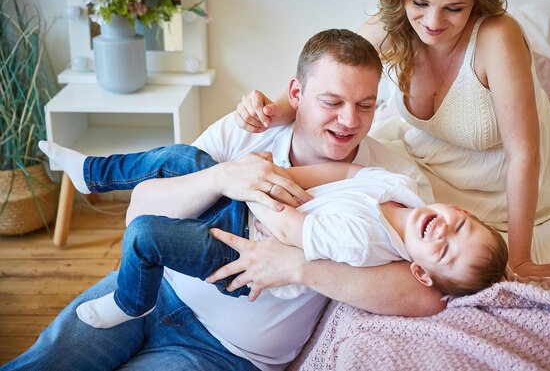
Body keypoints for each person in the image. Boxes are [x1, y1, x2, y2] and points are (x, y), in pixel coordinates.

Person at [2, 29, 446, 371]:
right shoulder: (248, 131)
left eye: (366, 106)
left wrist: (299, 267)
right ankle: (91, 172)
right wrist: (222, 177)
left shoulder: (389, 180)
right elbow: (140, 213)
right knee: (45, 361)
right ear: (296, 94)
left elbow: (425, 295)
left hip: (223, 352)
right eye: (332, 101)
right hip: (151, 287)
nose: (349, 121)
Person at [232, 0, 550, 279]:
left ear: (476, 3)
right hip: (429, 165)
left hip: (507, 182)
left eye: (454, 8)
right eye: (420, 3)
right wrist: (272, 109)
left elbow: (524, 155)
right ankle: (249, 193)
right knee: (347, 174)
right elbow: (328, 74)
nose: (433, 22)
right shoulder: (391, 25)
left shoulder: (497, 37)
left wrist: (519, 260)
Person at [38, 140, 508, 329]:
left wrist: (250, 179)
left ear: (422, 273)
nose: (442, 231)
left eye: (443, 252)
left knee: (144, 235)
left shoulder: (363, 240)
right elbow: (344, 172)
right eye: (460, 225)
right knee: (184, 157)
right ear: (461, 209)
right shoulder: (402, 188)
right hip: (249, 211)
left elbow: (287, 227)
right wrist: (272, 172)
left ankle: (130, 300)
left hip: (242, 252)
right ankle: (93, 172)